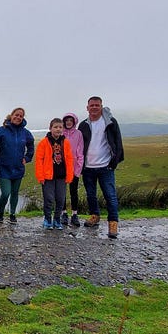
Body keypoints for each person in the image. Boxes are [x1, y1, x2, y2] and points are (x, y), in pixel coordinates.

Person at [78, 96, 124, 238]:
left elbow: (117, 141)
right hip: (88, 167)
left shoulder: (110, 122)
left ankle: (113, 223)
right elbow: (79, 146)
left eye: (97, 105)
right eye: (91, 105)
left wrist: (114, 162)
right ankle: (95, 216)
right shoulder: (83, 125)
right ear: (87, 108)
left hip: (105, 166)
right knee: (91, 195)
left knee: (110, 195)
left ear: (101, 106)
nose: (94, 108)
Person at [0, 107, 35, 224]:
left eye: (21, 116)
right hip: (4, 168)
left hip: (18, 168)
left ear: (23, 118)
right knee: (6, 192)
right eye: (16, 115)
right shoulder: (1, 130)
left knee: (15, 193)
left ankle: (12, 214)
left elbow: (31, 147)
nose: (18, 117)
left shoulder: (26, 133)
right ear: (11, 115)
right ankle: (1, 213)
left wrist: (27, 158)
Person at [35, 118, 74, 229]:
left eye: (60, 127)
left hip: (62, 176)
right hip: (48, 177)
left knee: (61, 199)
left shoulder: (65, 142)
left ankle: (57, 220)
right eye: (55, 127)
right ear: (50, 128)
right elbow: (39, 160)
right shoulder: (44, 142)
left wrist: (69, 175)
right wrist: (40, 176)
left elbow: (69, 159)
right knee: (49, 199)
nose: (58, 129)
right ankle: (47, 219)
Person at [59, 113, 84, 227]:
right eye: (66, 120)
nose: (68, 122)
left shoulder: (78, 134)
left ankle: (74, 214)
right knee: (62, 192)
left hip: (73, 168)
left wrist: (78, 169)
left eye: (71, 120)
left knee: (73, 192)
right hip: (62, 167)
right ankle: (63, 213)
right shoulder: (61, 133)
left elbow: (80, 152)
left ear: (74, 121)